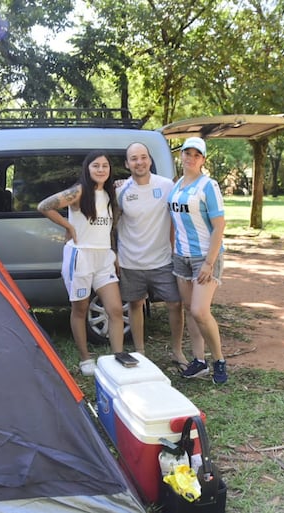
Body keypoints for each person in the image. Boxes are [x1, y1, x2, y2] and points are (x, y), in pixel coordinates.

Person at [38, 151, 125, 376]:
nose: (101, 170)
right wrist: (69, 227)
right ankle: (86, 359)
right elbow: (44, 205)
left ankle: (118, 357)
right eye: (96, 165)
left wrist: (113, 253)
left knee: (115, 309)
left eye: (105, 166)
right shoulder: (79, 191)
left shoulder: (109, 193)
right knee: (80, 309)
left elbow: (109, 227)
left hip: (104, 258)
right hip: (80, 257)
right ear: (87, 168)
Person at [116, 142, 199, 370]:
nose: (139, 162)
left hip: (162, 259)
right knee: (135, 304)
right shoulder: (120, 190)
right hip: (130, 260)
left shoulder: (166, 186)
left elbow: (180, 217)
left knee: (175, 304)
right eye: (133, 158)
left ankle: (177, 351)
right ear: (127, 163)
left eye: (143, 157)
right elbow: (112, 223)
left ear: (149, 160)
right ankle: (140, 352)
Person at [168, 137, 228, 384]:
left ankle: (219, 361)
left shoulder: (208, 186)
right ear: (180, 156)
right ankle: (199, 360)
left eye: (196, 155)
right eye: (186, 153)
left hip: (205, 257)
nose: (190, 158)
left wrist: (209, 263)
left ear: (203, 159)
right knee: (190, 312)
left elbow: (219, 226)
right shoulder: (177, 184)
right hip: (181, 256)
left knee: (200, 311)